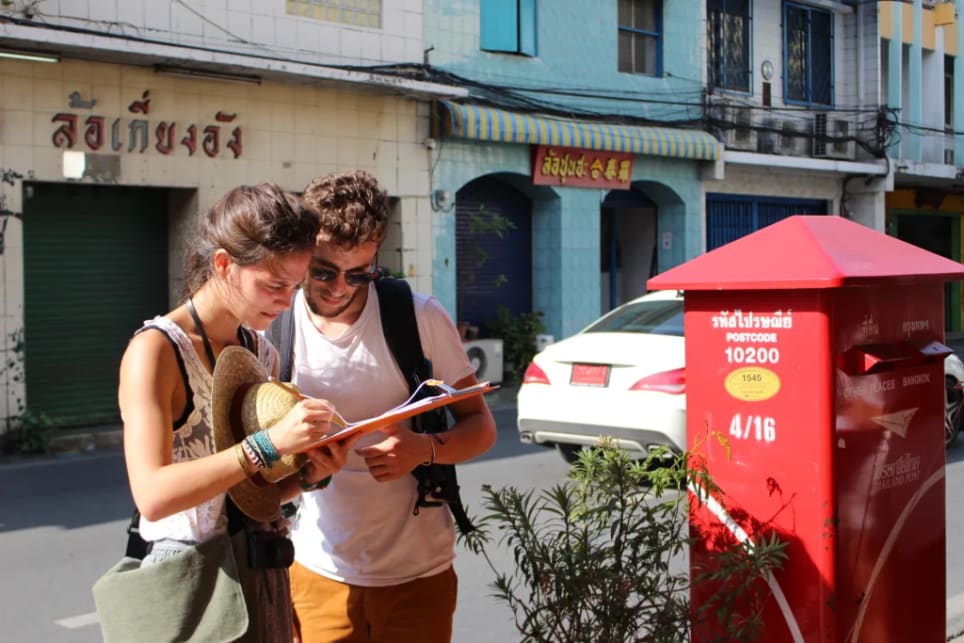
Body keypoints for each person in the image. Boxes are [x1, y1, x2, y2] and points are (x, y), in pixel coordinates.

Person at [116, 183, 354, 642]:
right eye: (274, 284)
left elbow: (252, 495)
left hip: (258, 562)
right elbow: (152, 494)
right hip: (186, 574)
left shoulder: (260, 351)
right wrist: (269, 444)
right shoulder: (156, 350)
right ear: (224, 264)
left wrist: (309, 475)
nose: (287, 301)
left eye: (295, 286)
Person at [281, 170, 498, 643]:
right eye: (323, 271)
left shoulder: (417, 316)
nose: (340, 287)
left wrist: (423, 449)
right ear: (301, 255)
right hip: (318, 567)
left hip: (417, 573)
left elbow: (480, 425)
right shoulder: (275, 326)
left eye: (360, 273)